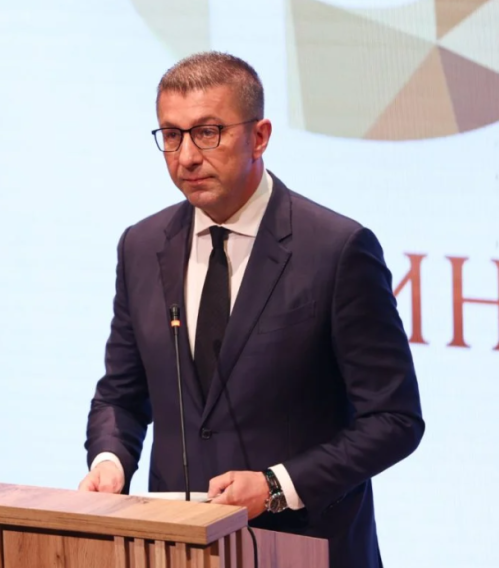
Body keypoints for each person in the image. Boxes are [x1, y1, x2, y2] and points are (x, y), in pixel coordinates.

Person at [78, 51, 424, 568]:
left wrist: (277, 486)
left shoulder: (336, 249)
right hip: (176, 548)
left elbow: (394, 419)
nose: (186, 156)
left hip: (304, 547)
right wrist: (110, 460)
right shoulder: (142, 246)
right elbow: (120, 395)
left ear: (259, 137)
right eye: (171, 135)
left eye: (207, 133)